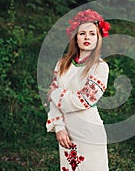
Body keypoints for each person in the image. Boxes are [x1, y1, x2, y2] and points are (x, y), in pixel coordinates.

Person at [46, 9, 111, 171]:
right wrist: (59, 127)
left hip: (89, 132)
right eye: (82, 33)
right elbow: (52, 103)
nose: (87, 37)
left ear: (98, 38)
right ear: (75, 37)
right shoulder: (62, 64)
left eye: (92, 33)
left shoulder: (100, 67)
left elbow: (84, 100)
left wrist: (55, 93)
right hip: (67, 132)